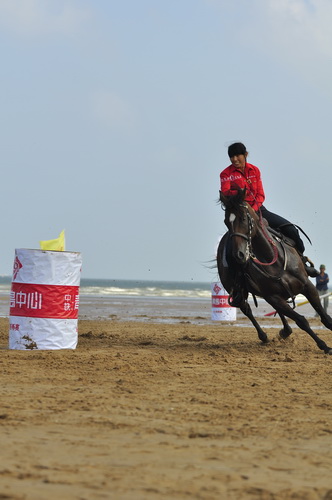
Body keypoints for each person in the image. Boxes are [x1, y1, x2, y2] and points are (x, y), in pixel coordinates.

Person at [219, 142, 319, 305]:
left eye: (238, 155)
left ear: (245, 155)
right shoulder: (225, 174)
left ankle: (303, 263)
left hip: (258, 210)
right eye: (232, 156)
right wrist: (240, 201)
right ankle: (238, 287)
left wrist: (253, 210)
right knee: (231, 250)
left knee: (291, 230)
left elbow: (260, 194)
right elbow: (225, 193)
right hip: (238, 215)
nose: (235, 159)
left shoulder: (255, 170)